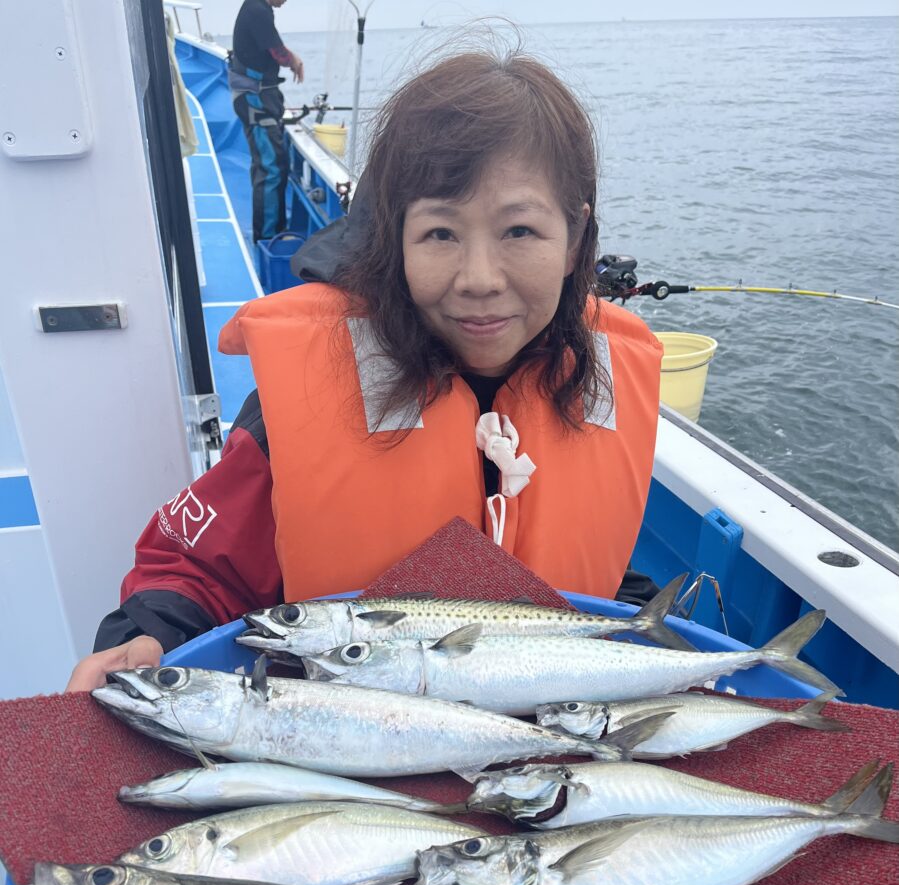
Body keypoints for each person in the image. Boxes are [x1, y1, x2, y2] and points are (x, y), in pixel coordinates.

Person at [67, 48, 663, 692]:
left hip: (557, 746)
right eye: (440, 233)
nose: (480, 280)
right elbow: (201, 568)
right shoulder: (306, 399)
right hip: (354, 745)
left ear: (576, 240)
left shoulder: (601, 383)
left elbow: (600, 572)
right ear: (393, 237)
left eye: (519, 231)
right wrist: (149, 634)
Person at [229, 0, 303, 242]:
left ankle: (275, 230)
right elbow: (279, 54)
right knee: (270, 166)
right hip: (255, 100)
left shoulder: (260, 8)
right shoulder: (257, 10)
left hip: (261, 96)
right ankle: (268, 238)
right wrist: (294, 60)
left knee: (270, 162)